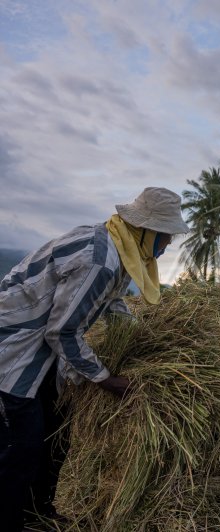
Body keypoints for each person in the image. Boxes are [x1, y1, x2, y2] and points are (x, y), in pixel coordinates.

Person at [0, 187, 189, 530]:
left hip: (41, 354)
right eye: (165, 237)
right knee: (22, 447)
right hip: (15, 349)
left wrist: (142, 339)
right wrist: (106, 379)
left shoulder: (118, 245)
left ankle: (37, 513)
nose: (167, 246)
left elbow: (111, 302)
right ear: (146, 230)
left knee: (56, 434)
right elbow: (62, 333)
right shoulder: (101, 258)